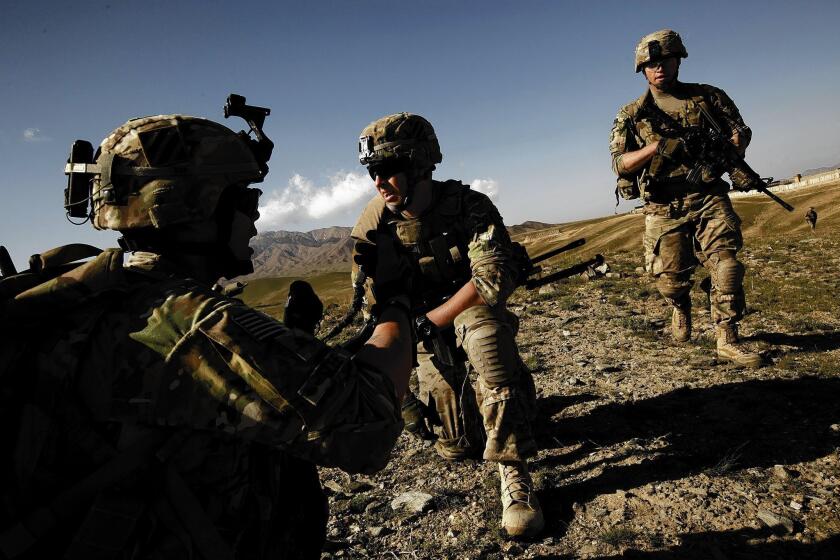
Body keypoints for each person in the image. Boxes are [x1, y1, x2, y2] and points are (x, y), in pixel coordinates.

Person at [0, 113, 414, 559]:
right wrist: (396, 302)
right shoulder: (187, 320)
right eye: (244, 198)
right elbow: (366, 421)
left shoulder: (95, 292)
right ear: (191, 204)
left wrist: (296, 335)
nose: (255, 216)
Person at [351, 113, 544, 537]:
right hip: (421, 328)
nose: (379, 183)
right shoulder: (374, 224)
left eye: (387, 171)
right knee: (458, 448)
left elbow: (490, 278)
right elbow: (374, 310)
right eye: (372, 173)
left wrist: (430, 321)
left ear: (419, 166)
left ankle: (515, 472)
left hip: (469, 310)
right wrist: (400, 398)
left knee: (486, 337)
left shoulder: (467, 205)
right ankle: (513, 403)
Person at [609, 29, 764, 368]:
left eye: (664, 60)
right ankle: (680, 305)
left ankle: (727, 338)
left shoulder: (708, 97)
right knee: (671, 281)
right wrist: (657, 147)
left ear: (678, 60)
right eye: (650, 65)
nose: (658, 68)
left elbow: (740, 130)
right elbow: (620, 163)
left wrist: (728, 152)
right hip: (663, 205)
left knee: (727, 265)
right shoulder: (632, 114)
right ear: (642, 71)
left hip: (708, 194)